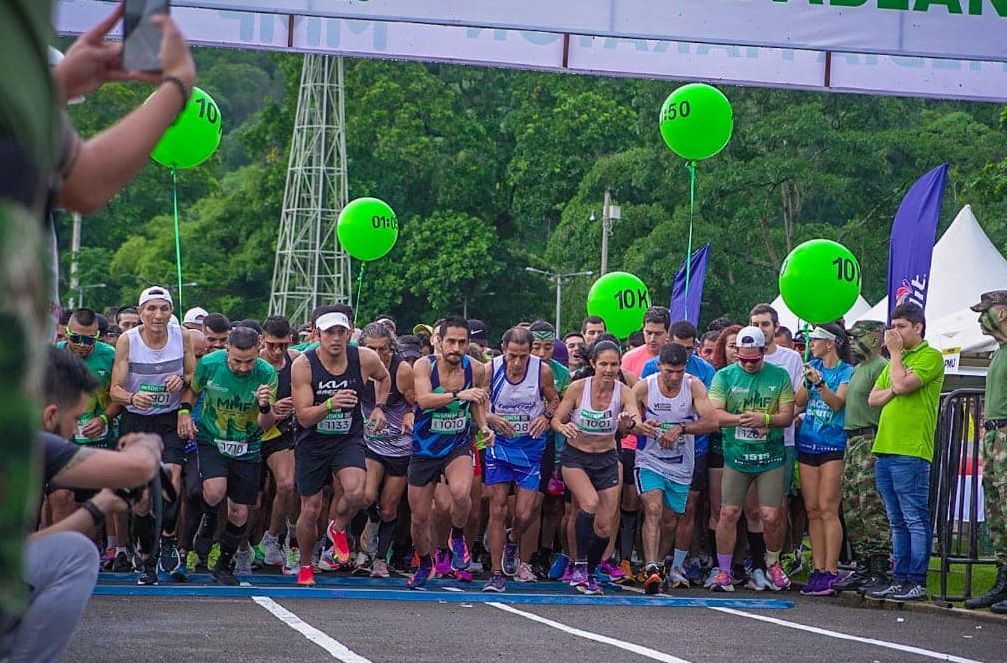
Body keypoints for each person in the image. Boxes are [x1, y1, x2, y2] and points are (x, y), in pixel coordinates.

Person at [3, 349, 161, 663]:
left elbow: (20, 549)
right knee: (77, 553)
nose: (75, 431)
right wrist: (148, 443)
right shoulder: (28, 441)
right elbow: (139, 467)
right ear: (49, 416)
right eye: (74, 420)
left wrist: (99, 505)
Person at [291, 306, 391, 586]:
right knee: (310, 508)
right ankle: (306, 564)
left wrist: (379, 408)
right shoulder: (305, 365)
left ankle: (338, 528)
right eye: (329, 333)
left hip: (347, 438)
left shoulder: (365, 358)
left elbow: (384, 378)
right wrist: (331, 403)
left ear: (349, 333)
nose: (335, 338)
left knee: (359, 492)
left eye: (340, 332)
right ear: (317, 334)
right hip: (313, 442)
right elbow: (303, 416)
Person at [109, 285, 196, 584]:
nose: (158, 315)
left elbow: (193, 379)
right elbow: (115, 390)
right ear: (141, 311)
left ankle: (169, 537)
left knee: (171, 481)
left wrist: (181, 381)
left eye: (164, 309)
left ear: (171, 311)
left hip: (168, 420)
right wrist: (133, 398)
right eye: (151, 309)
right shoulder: (128, 340)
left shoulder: (181, 336)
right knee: (142, 500)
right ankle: (146, 558)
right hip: (137, 421)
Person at [181, 327, 277, 585]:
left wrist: (265, 405)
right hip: (212, 438)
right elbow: (193, 390)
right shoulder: (210, 365)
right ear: (227, 353)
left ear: (258, 352)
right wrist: (184, 412)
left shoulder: (266, 373)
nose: (244, 368)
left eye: (249, 361)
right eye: (237, 361)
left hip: (247, 445)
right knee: (214, 491)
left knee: (239, 512)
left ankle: (224, 563)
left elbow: (266, 424)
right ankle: (209, 519)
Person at [552, 340, 643, 595]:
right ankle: (578, 565)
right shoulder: (578, 388)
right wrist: (564, 427)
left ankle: (590, 571)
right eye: (603, 364)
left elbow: (633, 419)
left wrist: (627, 423)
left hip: (606, 459)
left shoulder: (624, 391)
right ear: (593, 364)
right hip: (576, 458)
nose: (609, 369)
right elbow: (556, 420)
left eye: (614, 364)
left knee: (604, 525)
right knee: (589, 503)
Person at [708, 326, 795, 592]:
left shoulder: (779, 376)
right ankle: (723, 571)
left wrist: (766, 419)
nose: (747, 364)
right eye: (742, 359)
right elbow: (715, 415)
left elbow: (787, 416)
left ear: (762, 353)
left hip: (770, 457)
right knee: (729, 512)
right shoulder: (724, 376)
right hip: (737, 457)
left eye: (753, 360)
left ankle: (773, 563)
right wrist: (742, 419)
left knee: (770, 515)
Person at [866, 303, 944, 602]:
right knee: (896, 520)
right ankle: (899, 578)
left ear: (918, 327)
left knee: (914, 517)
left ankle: (917, 580)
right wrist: (897, 385)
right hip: (885, 448)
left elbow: (899, 383)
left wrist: (896, 356)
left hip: (911, 450)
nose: (894, 333)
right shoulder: (897, 362)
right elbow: (874, 397)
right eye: (893, 327)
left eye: (901, 327)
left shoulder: (930, 357)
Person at [407, 316, 492, 590]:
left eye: (462, 342)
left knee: (460, 493)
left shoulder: (476, 369)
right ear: (439, 342)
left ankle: (457, 535)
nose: (456, 347)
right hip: (424, 447)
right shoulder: (423, 366)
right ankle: (425, 561)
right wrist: (458, 395)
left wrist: (484, 427)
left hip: (457, 444)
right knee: (419, 518)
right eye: (451, 341)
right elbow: (424, 400)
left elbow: (478, 402)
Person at [633, 344, 717, 593]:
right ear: (659, 366)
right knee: (653, 508)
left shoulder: (694, 386)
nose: (674, 377)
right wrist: (641, 426)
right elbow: (628, 421)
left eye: (679, 371)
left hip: (681, 463)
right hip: (649, 460)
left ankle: (658, 564)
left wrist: (681, 428)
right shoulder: (644, 386)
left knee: (670, 521)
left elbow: (712, 422)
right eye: (669, 371)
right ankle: (650, 567)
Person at [482, 327, 560, 592]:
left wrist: (546, 417)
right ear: (503, 349)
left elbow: (555, 401)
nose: (517, 363)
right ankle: (495, 573)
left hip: (530, 447)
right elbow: (478, 404)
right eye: (512, 356)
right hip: (499, 446)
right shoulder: (490, 370)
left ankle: (513, 539)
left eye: (523, 357)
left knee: (525, 512)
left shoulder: (542, 371)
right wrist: (490, 418)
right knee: (497, 508)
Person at [832, 320, 891, 595]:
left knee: (871, 506)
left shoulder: (881, 367)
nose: (852, 341)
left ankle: (879, 567)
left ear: (877, 338)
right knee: (853, 507)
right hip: (853, 440)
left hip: (870, 439)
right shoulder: (858, 368)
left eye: (858, 336)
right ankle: (863, 564)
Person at [794, 324, 853, 596]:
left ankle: (831, 568)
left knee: (828, 508)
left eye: (816, 339)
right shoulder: (811, 366)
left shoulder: (845, 371)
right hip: (807, 443)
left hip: (832, 445)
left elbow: (837, 403)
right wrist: (807, 382)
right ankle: (817, 568)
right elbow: (799, 402)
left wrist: (819, 382)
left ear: (831, 343)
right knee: (812, 509)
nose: (812, 343)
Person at [749, 304, 804, 579]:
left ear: (775, 326)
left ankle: (775, 561)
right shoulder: (744, 355)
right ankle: (754, 562)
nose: (760, 330)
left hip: (782, 441)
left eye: (765, 324)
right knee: (750, 507)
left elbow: (796, 401)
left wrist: (769, 422)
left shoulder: (791, 359)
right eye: (755, 324)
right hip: (747, 443)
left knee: (777, 507)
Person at [358, 322, 415, 579]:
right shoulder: (357, 366)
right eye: (371, 349)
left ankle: (380, 558)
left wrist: (411, 415)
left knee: (389, 508)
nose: (377, 356)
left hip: (400, 447)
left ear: (391, 347)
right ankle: (366, 539)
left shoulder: (402, 370)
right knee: (366, 497)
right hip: (372, 445)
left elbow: (419, 404)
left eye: (383, 349)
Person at [967, 291, 1007, 612]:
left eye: (986, 312)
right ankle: (1003, 578)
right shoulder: (999, 351)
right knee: (996, 513)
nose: (981, 318)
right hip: (994, 438)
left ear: (1003, 314)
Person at [256, 316, 301, 571]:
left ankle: (272, 538)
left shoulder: (296, 361)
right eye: (272, 344)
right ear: (262, 339)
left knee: (286, 485)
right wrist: (272, 408)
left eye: (282, 345)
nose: (277, 351)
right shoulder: (251, 362)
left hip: (279, 436)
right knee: (251, 499)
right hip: (249, 433)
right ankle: (240, 548)